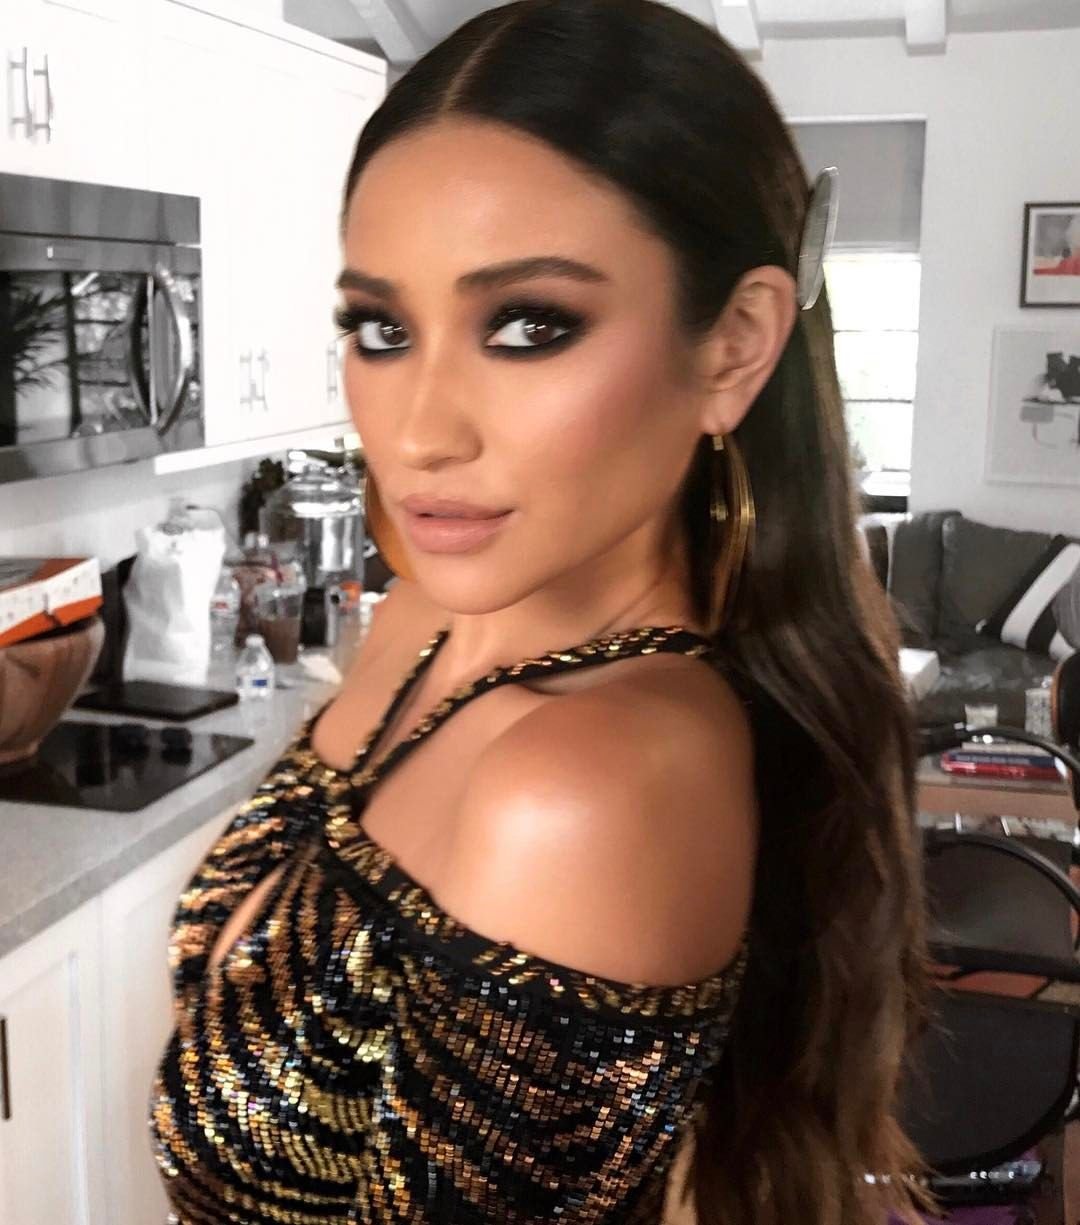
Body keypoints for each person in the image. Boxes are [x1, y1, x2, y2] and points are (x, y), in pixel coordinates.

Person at [149, 2, 934, 1222]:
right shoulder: (424, 621)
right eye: (381, 328)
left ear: (734, 347)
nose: (419, 431)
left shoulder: (584, 783)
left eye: (527, 326)